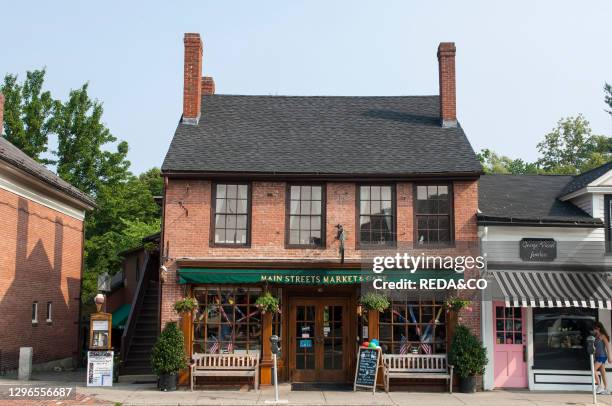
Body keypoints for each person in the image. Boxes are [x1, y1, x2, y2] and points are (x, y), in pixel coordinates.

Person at [593, 321, 611, 395]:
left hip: (602, 356)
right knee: (603, 373)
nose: (594, 330)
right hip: (598, 356)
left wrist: (610, 358)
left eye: (595, 328)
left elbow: (607, 347)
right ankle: (606, 389)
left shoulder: (603, 336)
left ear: (599, 328)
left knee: (593, 370)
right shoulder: (596, 336)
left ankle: (600, 386)